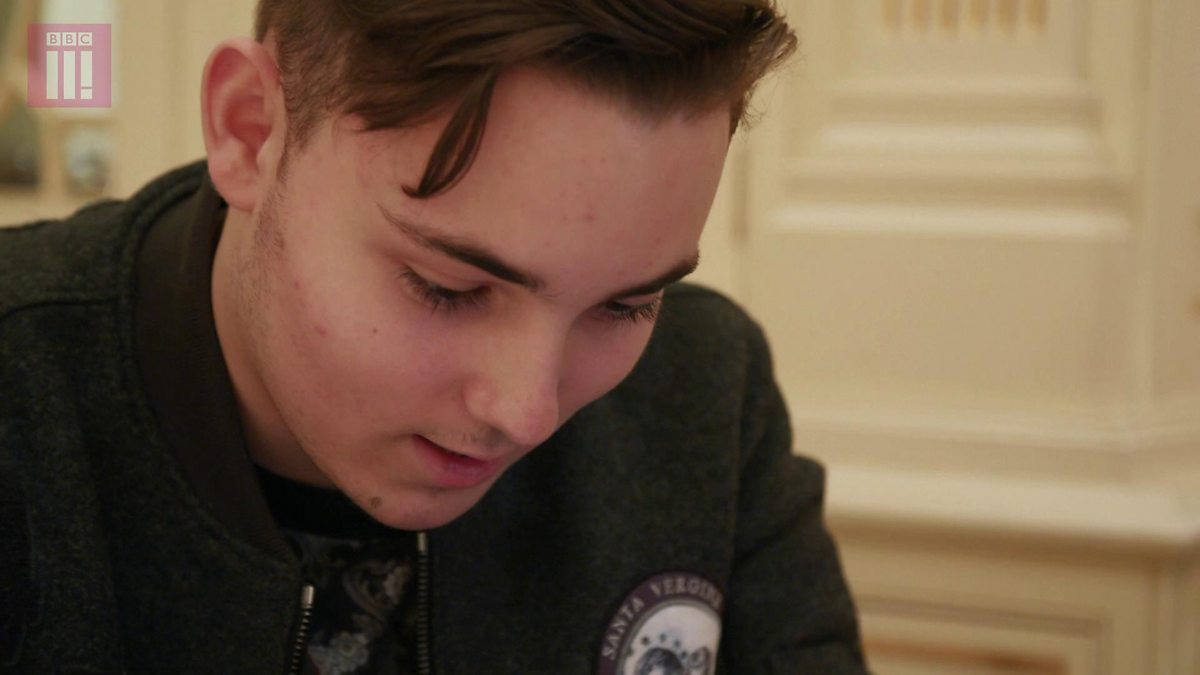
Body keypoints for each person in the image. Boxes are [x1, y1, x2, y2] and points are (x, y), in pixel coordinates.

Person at [0, 1, 868, 673]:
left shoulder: (710, 391)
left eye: (626, 305)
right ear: (251, 130)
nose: (526, 413)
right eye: (448, 287)